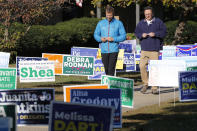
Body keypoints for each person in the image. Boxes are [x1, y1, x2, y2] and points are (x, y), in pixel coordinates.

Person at [135, 6, 167, 94]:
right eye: (146, 14)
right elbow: (136, 33)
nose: (147, 15)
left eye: (149, 14)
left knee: (154, 68)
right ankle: (145, 84)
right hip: (144, 49)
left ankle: (154, 87)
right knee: (141, 66)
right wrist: (141, 35)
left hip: (154, 49)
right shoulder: (141, 23)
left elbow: (164, 32)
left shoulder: (158, 22)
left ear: (152, 13)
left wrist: (156, 34)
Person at [94, 5, 126, 76]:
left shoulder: (119, 23)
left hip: (114, 50)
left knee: (111, 69)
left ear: (113, 14)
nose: (108, 17)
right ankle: (109, 83)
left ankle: (109, 85)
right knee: (106, 69)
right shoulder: (100, 23)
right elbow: (96, 34)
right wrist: (100, 39)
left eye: (110, 15)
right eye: (107, 15)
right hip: (103, 50)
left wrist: (114, 39)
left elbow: (123, 36)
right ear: (105, 14)